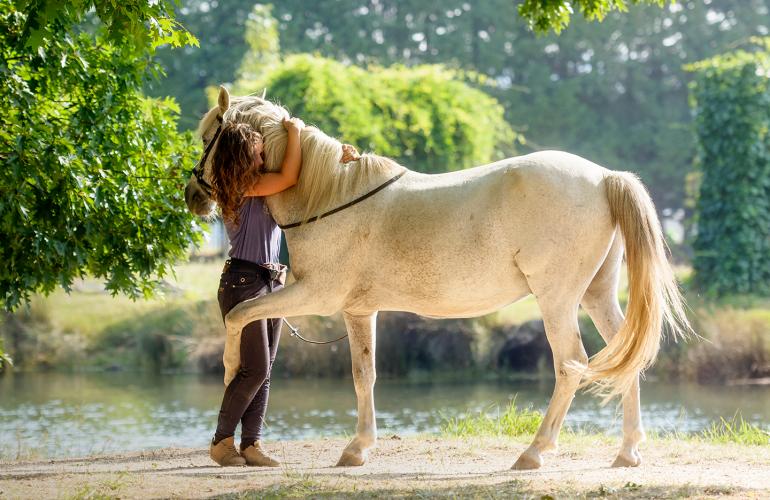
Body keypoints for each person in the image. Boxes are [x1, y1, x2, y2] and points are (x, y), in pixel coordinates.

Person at [207, 117, 359, 467]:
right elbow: (289, 176)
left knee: (264, 368)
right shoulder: (241, 186)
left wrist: (339, 160)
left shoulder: (261, 186)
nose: (263, 161)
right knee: (255, 369)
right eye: (259, 155)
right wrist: (294, 132)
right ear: (243, 158)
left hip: (270, 280)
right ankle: (221, 441)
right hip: (244, 281)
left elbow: (301, 183)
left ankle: (251, 444)